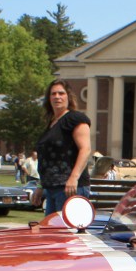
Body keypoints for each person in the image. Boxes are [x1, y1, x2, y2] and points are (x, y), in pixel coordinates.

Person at [34, 80, 92, 214]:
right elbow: (46, 160)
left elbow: (85, 149)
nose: (57, 97)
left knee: (66, 231)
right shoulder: (50, 124)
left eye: (61, 93)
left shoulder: (75, 118)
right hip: (52, 188)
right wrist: (40, 185)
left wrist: (73, 178)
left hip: (70, 187)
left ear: (68, 96)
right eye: (53, 94)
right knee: (52, 231)